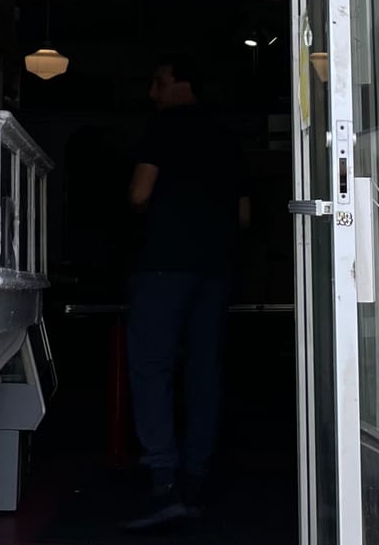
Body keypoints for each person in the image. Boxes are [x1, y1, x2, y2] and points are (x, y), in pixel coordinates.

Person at [124, 52, 249, 531]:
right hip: (215, 270)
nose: (152, 93)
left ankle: (163, 481)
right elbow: (244, 216)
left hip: (164, 267)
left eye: (158, 81)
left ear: (181, 84)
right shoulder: (227, 138)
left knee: (152, 368)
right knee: (204, 372)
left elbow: (138, 193)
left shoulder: (163, 128)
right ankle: (196, 480)